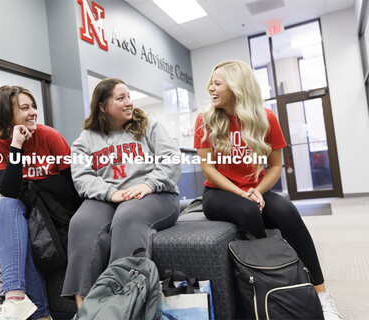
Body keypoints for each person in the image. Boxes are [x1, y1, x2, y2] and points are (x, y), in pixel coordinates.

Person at [193, 60, 341, 320]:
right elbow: (208, 169)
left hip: (255, 189)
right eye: (211, 83)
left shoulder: (265, 118)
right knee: (248, 211)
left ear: (237, 86)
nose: (211, 89)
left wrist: (258, 190)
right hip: (218, 192)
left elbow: (275, 166)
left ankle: (321, 295)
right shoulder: (205, 119)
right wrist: (242, 194)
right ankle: (270, 289)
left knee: (287, 211)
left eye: (217, 83)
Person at [61, 78, 182, 309]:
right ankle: (86, 310)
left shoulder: (148, 126)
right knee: (81, 223)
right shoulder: (86, 139)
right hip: (110, 197)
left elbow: (172, 159)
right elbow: (82, 177)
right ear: (102, 106)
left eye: (128, 96)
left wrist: (149, 184)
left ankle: (124, 305)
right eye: (121, 98)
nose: (129, 102)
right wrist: (111, 193)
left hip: (156, 195)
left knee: (127, 217)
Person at [0, 85, 73, 320]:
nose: (33, 112)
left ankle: (36, 311)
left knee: (21, 231)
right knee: (5, 206)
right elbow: (9, 191)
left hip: (54, 216)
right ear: (6, 114)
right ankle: (15, 297)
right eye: (25, 108)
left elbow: (72, 188)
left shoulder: (50, 136)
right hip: (23, 213)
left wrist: (38, 187)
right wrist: (16, 145)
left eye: (34, 106)